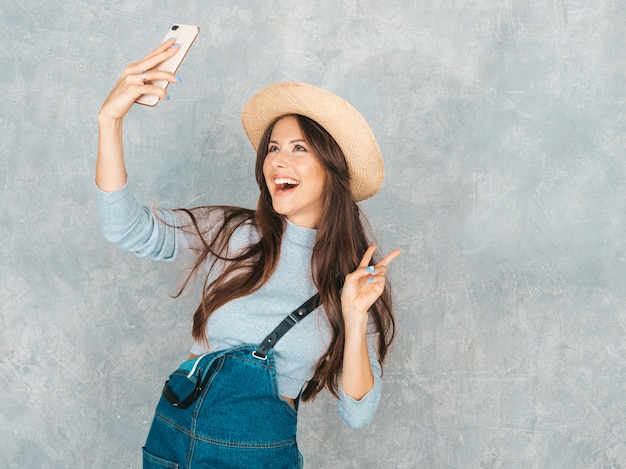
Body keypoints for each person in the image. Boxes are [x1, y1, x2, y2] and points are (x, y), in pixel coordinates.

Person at [96, 38, 400, 469]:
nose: (277, 161)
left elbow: (358, 413)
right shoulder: (233, 232)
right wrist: (110, 121)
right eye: (273, 148)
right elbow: (125, 228)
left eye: (299, 149)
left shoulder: (352, 285)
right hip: (171, 444)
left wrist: (353, 317)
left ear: (332, 170)